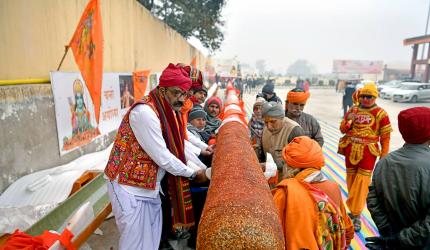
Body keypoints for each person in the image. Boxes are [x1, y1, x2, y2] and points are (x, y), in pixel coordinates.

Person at [104, 63, 207, 250]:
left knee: (150, 242)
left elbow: (179, 145)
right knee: (133, 243)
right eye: (176, 93)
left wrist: (201, 163)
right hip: (127, 187)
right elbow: (163, 156)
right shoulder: (145, 113)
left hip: (150, 187)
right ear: (162, 89)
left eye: (184, 94)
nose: (181, 99)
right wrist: (193, 174)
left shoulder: (166, 111)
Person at [272, 136, 354, 249]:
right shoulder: (333, 187)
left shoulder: (286, 191)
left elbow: (273, 233)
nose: (283, 168)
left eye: (285, 164)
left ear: (293, 169)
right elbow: (347, 229)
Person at [366, 107, 430, 250]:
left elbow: (373, 199)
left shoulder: (384, 162)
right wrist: (401, 239)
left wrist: (389, 232)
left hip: (391, 240)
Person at [337, 82, 392, 232]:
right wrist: (350, 120)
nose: (366, 99)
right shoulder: (353, 110)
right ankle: (353, 211)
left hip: (369, 152)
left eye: (370, 96)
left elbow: (385, 137)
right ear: (359, 96)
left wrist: (384, 156)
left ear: (375, 97)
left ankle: (355, 214)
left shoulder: (381, 113)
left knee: (362, 183)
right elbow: (342, 129)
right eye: (363, 96)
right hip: (350, 149)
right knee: (351, 181)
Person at [258, 101, 305, 181]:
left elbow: (300, 163)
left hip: (287, 183)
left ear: (282, 118)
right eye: (266, 122)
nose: (269, 126)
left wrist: (272, 166)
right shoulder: (265, 130)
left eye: (273, 122)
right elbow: (263, 155)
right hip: (269, 181)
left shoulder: (294, 131)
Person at [249, 97, 265, 162]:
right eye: (256, 109)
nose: (258, 111)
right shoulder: (251, 122)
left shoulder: (267, 122)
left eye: (260, 109)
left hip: (264, 147)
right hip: (254, 146)